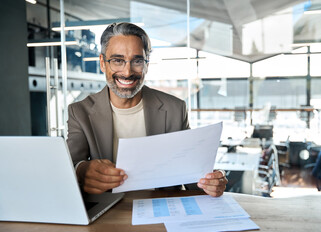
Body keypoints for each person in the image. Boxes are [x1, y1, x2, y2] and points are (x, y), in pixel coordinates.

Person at [67, 22, 227, 197]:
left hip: (162, 209)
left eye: (137, 61)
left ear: (147, 64)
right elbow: (70, 166)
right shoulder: (79, 112)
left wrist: (211, 181)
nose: (127, 72)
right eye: (117, 60)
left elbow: (190, 172)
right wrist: (81, 171)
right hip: (109, 212)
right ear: (103, 63)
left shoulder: (175, 108)